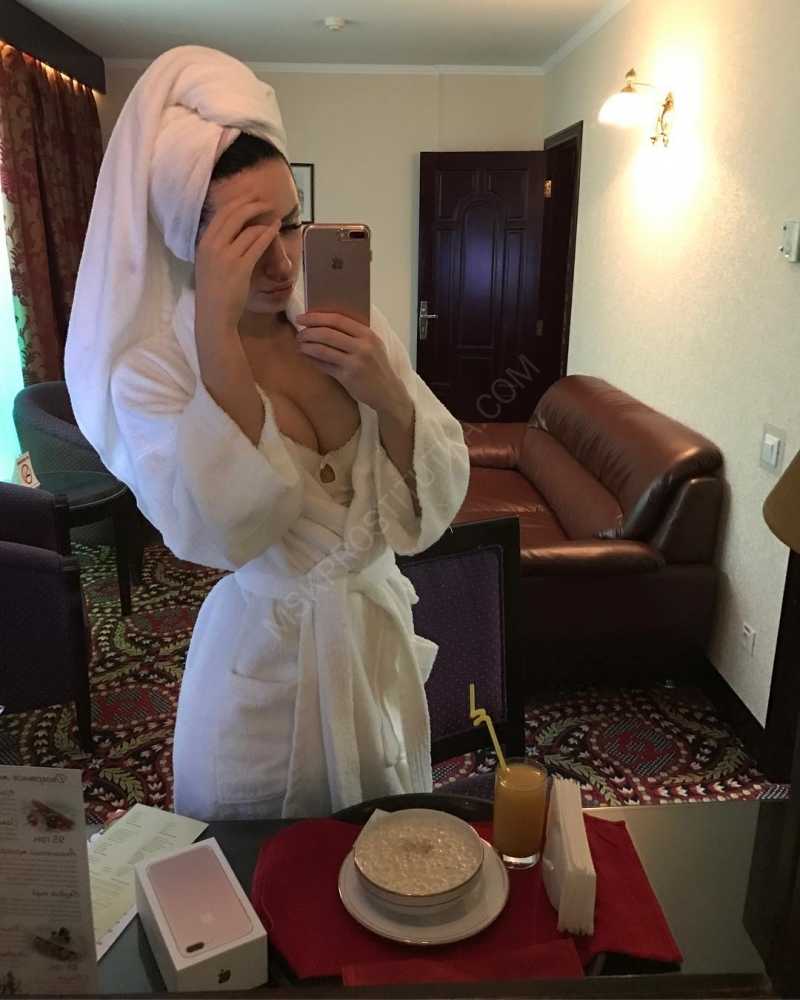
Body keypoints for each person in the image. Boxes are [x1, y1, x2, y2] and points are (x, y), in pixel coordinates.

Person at [64, 46, 469, 820]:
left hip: (373, 661)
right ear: (189, 240)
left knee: (385, 865)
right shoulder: (153, 373)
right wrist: (217, 340)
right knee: (262, 879)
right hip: (261, 686)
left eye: (291, 222)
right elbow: (220, 536)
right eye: (250, 238)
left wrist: (388, 393)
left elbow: (435, 505)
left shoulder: (346, 323)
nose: (284, 261)